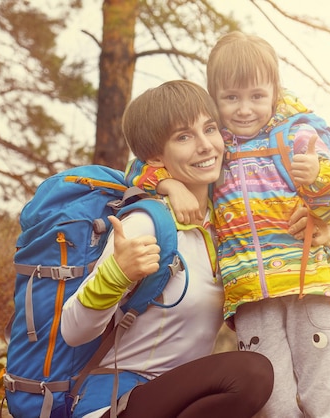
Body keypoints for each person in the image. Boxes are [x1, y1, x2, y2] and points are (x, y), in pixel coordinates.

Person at [126, 31, 330, 417]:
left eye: (256, 96)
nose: (245, 109)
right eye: (231, 98)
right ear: (215, 97)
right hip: (250, 297)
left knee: (326, 397)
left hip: (311, 285)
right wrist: (169, 185)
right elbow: (138, 169)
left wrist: (318, 177)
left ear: (274, 92)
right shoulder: (216, 148)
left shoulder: (296, 138)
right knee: (274, 404)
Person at [60, 80, 274, 418]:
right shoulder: (147, 224)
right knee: (251, 374)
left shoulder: (226, 227)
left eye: (210, 129)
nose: (205, 146)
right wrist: (116, 274)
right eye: (184, 136)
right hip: (114, 403)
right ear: (156, 156)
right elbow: (72, 330)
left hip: (184, 402)